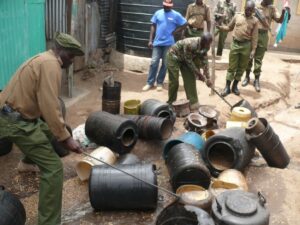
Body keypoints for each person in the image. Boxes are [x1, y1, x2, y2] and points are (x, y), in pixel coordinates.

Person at [0, 32, 84, 225]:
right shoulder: (51, 65)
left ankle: (27, 163)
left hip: (16, 114)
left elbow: (43, 107)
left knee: (46, 132)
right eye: (70, 56)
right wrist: (66, 138)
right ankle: (48, 222)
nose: (71, 61)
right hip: (14, 121)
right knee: (54, 169)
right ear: (60, 51)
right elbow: (50, 106)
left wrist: (58, 133)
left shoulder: (44, 58)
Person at [242, 0, 291, 92]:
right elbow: (246, 16)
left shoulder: (272, 8)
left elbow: (279, 20)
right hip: (252, 33)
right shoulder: (255, 5)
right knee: (249, 57)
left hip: (263, 35)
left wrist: (284, 12)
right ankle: (247, 77)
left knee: (258, 59)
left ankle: (256, 80)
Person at [142, 0, 187, 92]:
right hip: (157, 43)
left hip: (169, 44)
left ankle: (159, 82)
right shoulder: (158, 13)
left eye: (168, 5)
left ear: (171, 5)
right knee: (154, 63)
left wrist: (176, 32)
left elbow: (185, 24)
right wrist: (150, 40)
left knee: (165, 64)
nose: (166, 7)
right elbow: (153, 25)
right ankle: (150, 83)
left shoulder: (176, 15)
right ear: (163, 4)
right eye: (165, 5)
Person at [217, 0, 259, 97]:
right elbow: (229, 27)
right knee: (232, 67)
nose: (248, 12)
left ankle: (234, 86)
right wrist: (221, 27)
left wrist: (253, 50)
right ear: (244, 8)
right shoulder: (237, 16)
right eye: (247, 9)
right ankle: (227, 87)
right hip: (235, 44)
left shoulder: (255, 21)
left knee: (241, 67)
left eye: (250, 10)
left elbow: (255, 37)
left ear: (253, 10)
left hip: (246, 46)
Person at [167, 32, 213, 110]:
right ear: (202, 41)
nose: (209, 46)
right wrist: (200, 75)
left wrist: (208, 78)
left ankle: (193, 102)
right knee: (174, 81)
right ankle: (171, 103)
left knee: (190, 79)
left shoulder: (206, 47)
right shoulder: (191, 44)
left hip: (186, 59)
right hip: (174, 56)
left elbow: (205, 61)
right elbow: (189, 62)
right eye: (207, 44)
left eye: (209, 44)